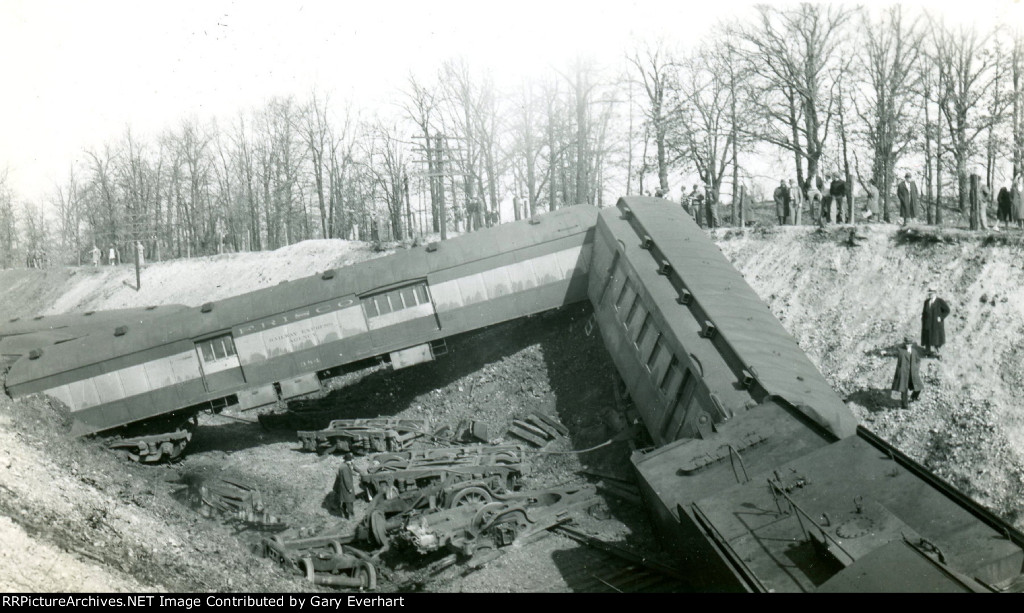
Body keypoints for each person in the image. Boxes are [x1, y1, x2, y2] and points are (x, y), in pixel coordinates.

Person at [889, 336, 924, 409]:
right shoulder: (901, 351)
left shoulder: (914, 351)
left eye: (909, 343)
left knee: (919, 386)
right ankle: (904, 405)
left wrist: (916, 368)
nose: (908, 345)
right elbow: (893, 353)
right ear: (905, 344)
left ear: (911, 344)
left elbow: (918, 360)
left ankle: (914, 397)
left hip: (912, 374)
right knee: (904, 390)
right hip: (904, 374)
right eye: (907, 343)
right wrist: (885, 353)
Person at [921, 288, 950, 358]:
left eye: (931, 293)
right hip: (927, 323)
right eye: (929, 293)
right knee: (927, 338)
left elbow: (947, 310)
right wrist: (922, 316)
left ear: (935, 293)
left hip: (936, 325)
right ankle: (927, 352)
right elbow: (924, 312)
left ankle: (938, 353)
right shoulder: (926, 302)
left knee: (937, 339)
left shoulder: (940, 301)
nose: (930, 295)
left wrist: (941, 317)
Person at [334, 454, 357, 519]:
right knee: (349, 501)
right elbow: (346, 479)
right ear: (348, 460)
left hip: (343, 487)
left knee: (345, 500)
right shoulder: (345, 468)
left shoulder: (343, 466)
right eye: (351, 460)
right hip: (346, 488)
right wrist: (349, 488)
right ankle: (350, 515)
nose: (352, 461)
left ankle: (344, 512)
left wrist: (356, 473)